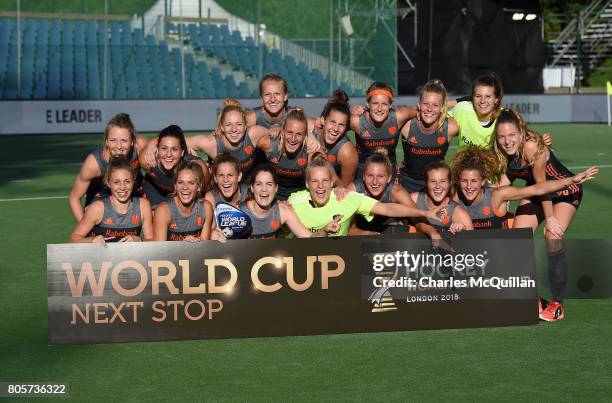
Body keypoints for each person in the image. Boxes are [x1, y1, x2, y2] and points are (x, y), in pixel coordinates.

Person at [491, 108, 593, 321]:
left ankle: (557, 305)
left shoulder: (531, 146)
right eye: (501, 137)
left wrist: (552, 219)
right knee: (517, 239)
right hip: (538, 191)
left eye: (511, 136)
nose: (507, 141)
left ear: (520, 133)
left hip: (564, 190)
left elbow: (543, 184)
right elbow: (502, 185)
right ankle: (530, 297)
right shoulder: (501, 152)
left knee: (553, 237)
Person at [288, 156, 445, 237]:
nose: (375, 182)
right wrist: (367, 234)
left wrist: (428, 223)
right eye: (370, 176)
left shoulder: (394, 191)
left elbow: (391, 209)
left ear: (389, 178)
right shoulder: (352, 193)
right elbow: (348, 229)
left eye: (381, 176)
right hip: (359, 237)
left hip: (386, 233)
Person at [451, 144, 598, 230]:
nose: (469, 186)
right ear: (459, 180)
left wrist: (571, 180)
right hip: (473, 259)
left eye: (474, 181)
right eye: (465, 181)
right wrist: (454, 225)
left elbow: (537, 189)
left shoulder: (497, 195)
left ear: (483, 181)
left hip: (501, 255)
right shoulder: (455, 198)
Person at [211, 164, 340, 240]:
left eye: (269, 184)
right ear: (252, 188)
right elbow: (214, 238)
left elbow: (309, 238)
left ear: (276, 188)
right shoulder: (236, 212)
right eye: (259, 184)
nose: (264, 190)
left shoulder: (283, 210)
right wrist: (214, 235)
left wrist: (325, 230)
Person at [69, 113, 148, 221]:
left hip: (132, 187)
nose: (118, 146)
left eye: (124, 141)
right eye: (113, 140)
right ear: (106, 141)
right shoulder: (95, 163)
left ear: (132, 142)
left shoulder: (141, 146)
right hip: (102, 193)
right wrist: (85, 228)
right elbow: (74, 198)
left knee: (153, 207)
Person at [70, 157, 153, 244]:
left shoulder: (143, 206)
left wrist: (139, 240)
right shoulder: (98, 208)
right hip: (102, 257)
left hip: (131, 257)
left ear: (133, 181)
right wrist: (92, 240)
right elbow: (74, 239)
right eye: (116, 182)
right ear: (108, 182)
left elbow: (153, 240)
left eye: (127, 181)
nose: (122, 187)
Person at [399, 79, 459, 192]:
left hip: (437, 187)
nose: (430, 109)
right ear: (419, 105)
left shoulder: (451, 127)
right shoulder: (406, 125)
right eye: (426, 104)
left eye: (435, 105)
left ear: (442, 108)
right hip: (407, 184)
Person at [350, 82, 417, 177]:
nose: (380, 108)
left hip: (390, 173)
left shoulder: (399, 117)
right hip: (363, 175)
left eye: (384, 104)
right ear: (368, 104)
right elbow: (332, 123)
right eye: (375, 103)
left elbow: (421, 111)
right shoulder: (357, 121)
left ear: (390, 105)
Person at [139, 125, 209, 209]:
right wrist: (151, 144)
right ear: (157, 150)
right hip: (156, 195)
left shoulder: (198, 168)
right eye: (164, 148)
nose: (168, 154)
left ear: (182, 152)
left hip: (182, 198)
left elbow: (204, 193)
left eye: (175, 149)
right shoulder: (147, 161)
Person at [268, 108, 324, 200]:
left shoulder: (311, 150)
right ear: (282, 131)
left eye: (299, 134)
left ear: (305, 136)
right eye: (289, 132)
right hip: (273, 198)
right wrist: (275, 125)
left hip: (300, 199)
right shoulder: (270, 144)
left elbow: (331, 178)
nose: (293, 139)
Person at [153, 160, 214, 241]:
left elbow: (205, 246)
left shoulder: (206, 208)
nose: (185, 187)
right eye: (180, 182)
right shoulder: (164, 210)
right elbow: (159, 251)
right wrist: (183, 245)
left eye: (191, 183)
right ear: (175, 186)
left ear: (199, 186)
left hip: (197, 253)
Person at [410, 161, 473, 233]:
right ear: (426, 183)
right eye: (433, 181)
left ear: (450, 183)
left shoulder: (458, 213)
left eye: (443, 181)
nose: (438, 186)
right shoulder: (413, 200)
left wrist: (462, 231)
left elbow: (472, 242)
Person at [313, 89, 358, 187]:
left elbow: (344, 189)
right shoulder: (310, 129)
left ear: (346, 128)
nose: (336, 128)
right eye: (332, 122)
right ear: (323, 120)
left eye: (341, 125)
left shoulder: (347, 152)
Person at [449, 72, 503, 149]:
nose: (482, 101)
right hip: (463, 160)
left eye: (488, 96)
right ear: (472, 98)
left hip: (492, 161)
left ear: (496, 100)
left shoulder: (504, 118)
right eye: (478, 96)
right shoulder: (462, 109)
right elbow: (437, 121)